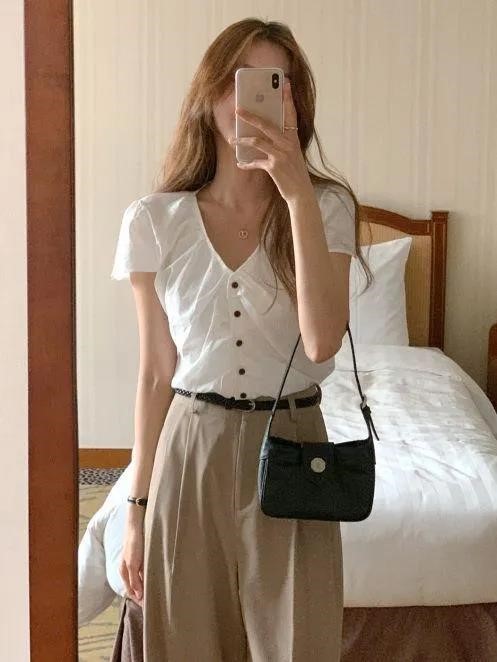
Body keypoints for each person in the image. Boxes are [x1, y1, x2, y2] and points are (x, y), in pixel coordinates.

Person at [110, 16, 372, 662]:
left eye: (271, 83)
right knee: (186, 643)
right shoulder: (154, 221)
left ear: (294, 102)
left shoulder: (326, 207)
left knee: (297, 643)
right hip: (191, 447)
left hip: (294, 445)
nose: (247, 101)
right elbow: (155, 373)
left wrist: (296, 195)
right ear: (209, 94)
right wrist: (135, 509)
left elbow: (321, 342)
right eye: (236, 81)